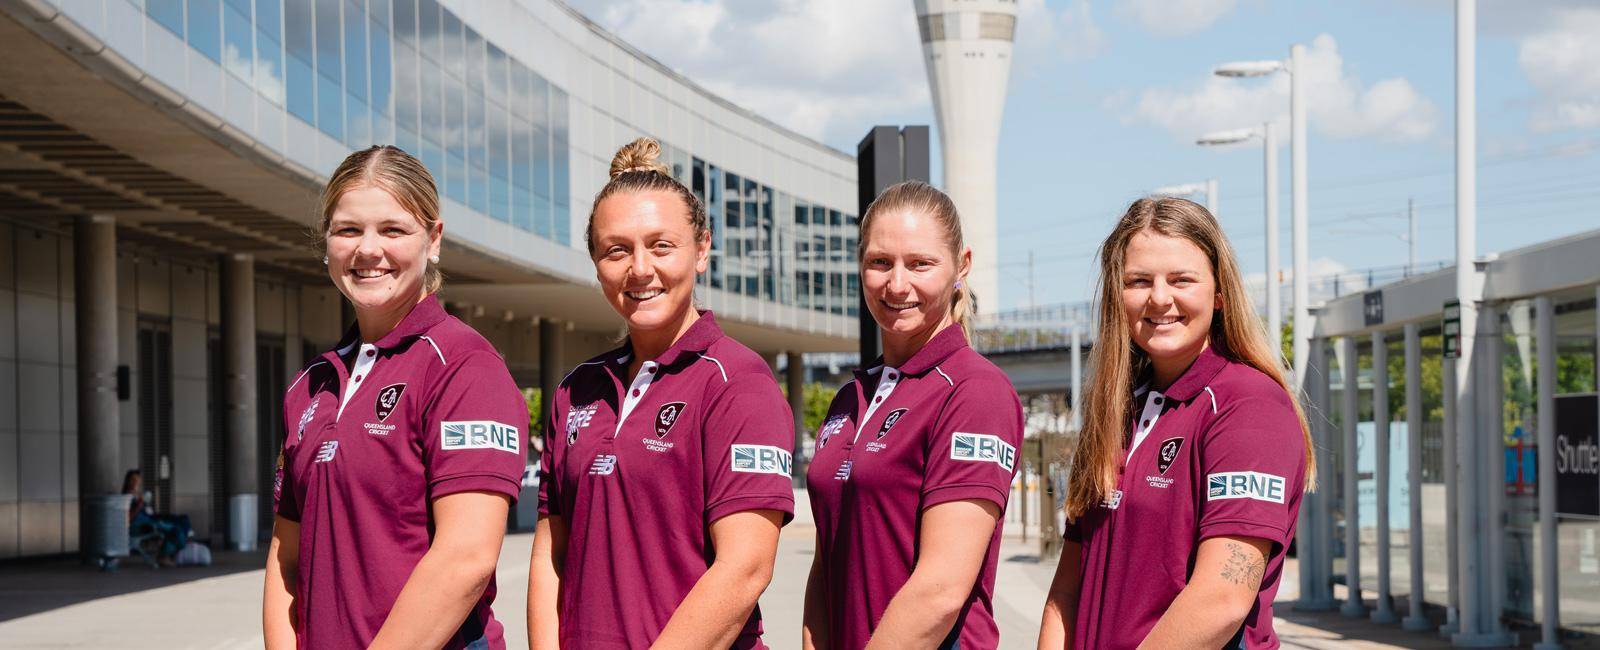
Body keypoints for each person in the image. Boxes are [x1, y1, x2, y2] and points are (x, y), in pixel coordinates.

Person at [527, 137, 795, 649]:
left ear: (702, 250)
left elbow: (744, 569)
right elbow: (550, 557)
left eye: (661, 245)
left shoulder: (738, 382)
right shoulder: (575, 390)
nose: (641, 269)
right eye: (617, 250)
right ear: (596, 262)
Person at [263, 145, 528, 649]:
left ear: (433, 239)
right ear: (326, 243)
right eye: (347, 230)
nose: (367, 249)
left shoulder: (465, 368)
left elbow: (466, 558)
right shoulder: (309, 385)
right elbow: (285, 557)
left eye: (392, 229)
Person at [1036, 197, 1316, 649]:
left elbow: (1223, 598)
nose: (1160, 298)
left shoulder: (1249, 406)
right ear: (1116, 295)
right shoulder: (1118, 411)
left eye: (1182, 279)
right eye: (1139, 281)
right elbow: (1068, 587)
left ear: (1220, 293)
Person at [803, 181, 1024, 649]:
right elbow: (826, 567)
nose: (897, 284)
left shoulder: (975, 391)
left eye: (920, 263)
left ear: (960, 266)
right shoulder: (851, 396)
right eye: (880, 263)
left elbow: (940, 591)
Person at [122, 469, 191, 566]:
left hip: (150, 519)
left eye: (137, 480)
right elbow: (128, 519)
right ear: (128, 481)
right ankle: (165, 555)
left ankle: (178, 544)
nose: (135, 483)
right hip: (142, 525)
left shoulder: (136, 496)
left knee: (183, 519)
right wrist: (139, 505)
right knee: (176, 530)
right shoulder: (126, 498)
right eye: (133, 480)